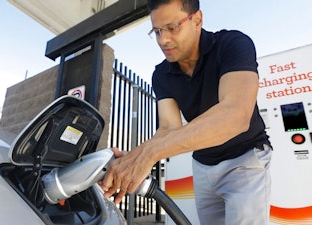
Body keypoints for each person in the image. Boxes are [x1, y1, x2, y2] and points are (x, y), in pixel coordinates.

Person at [100, 0, 272, 224]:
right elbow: (169, 128)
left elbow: (235, 116)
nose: (163, 40)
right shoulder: (161, 74)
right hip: (203, 164)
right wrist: (133, 159)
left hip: (245, 158)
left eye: (172, 28)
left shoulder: (232, 44)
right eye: (157, 31)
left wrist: (148, 154)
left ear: (197, 19)